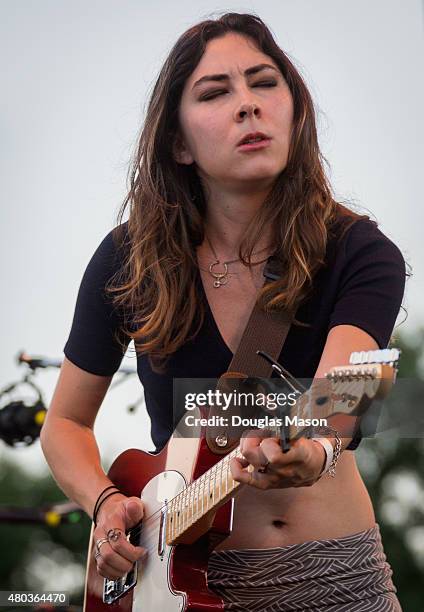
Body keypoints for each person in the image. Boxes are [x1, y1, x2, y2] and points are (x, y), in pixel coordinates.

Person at [40, 12, 407, 611]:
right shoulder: (126, 260)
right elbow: (65, 426)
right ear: (179, 143)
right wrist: (107, 504)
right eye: (216, 92)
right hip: (170, 591)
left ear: (294, 110)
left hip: (333, 580)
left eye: (265, 83)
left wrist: (311, 449)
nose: (248, 105)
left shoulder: (358, 250)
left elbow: (344, 390)